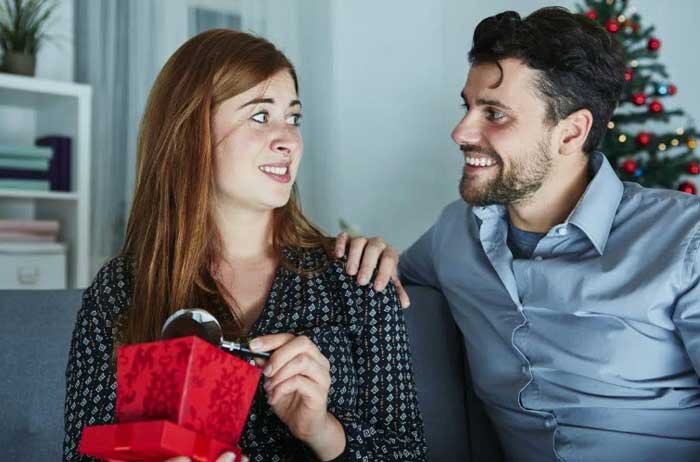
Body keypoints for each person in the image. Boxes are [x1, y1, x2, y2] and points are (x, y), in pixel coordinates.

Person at [343, 6, 700, 462]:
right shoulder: (456, 233)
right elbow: (390, 287)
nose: (460, 132)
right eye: (468, 107)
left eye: (495, 113)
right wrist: (375, 255)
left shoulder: (684, 240)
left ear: (570, 133)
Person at [63, 29, 426, 462]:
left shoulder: (357, 275)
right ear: (191, 131)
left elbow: (409, 454)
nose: (288, 139)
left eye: (293, 118)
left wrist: (323, 431)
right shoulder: (122, 289)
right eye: (260, 116)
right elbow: (84, 453)